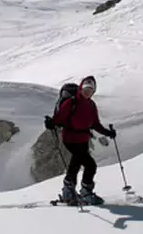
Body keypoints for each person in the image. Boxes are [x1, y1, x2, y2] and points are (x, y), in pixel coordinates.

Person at [44, 76, 116, 205]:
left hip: (83, 139)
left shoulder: (91, 105)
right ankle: (84, 193)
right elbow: (59, 118)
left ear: (93, 91)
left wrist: (108, 132)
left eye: (90, 90)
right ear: (81, 88)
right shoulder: (71, 102)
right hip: (70, 138)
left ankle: (70, 191)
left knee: (76, 165)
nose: (87, 92)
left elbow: (95, 124)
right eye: (85, 89)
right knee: (90, 165)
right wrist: (51, 123)